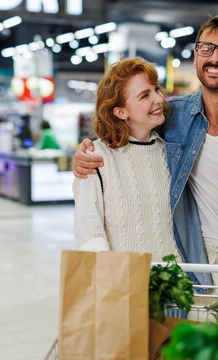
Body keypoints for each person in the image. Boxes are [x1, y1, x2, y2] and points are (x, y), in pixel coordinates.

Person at [73, 16, 218, 317]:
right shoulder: (175, 115)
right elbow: (130, 128)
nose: (215, 58)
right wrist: (86, 151)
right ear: (195, 57)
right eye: (207, 48)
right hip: (196, 264)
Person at [72, 58, 181, 262]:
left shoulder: (172, 151)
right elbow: (89, 233)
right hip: (124, 283)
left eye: (156, 89)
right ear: (121, 112)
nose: (158, 99)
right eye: (144, 96)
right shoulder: (96, 158)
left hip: (175, 281)